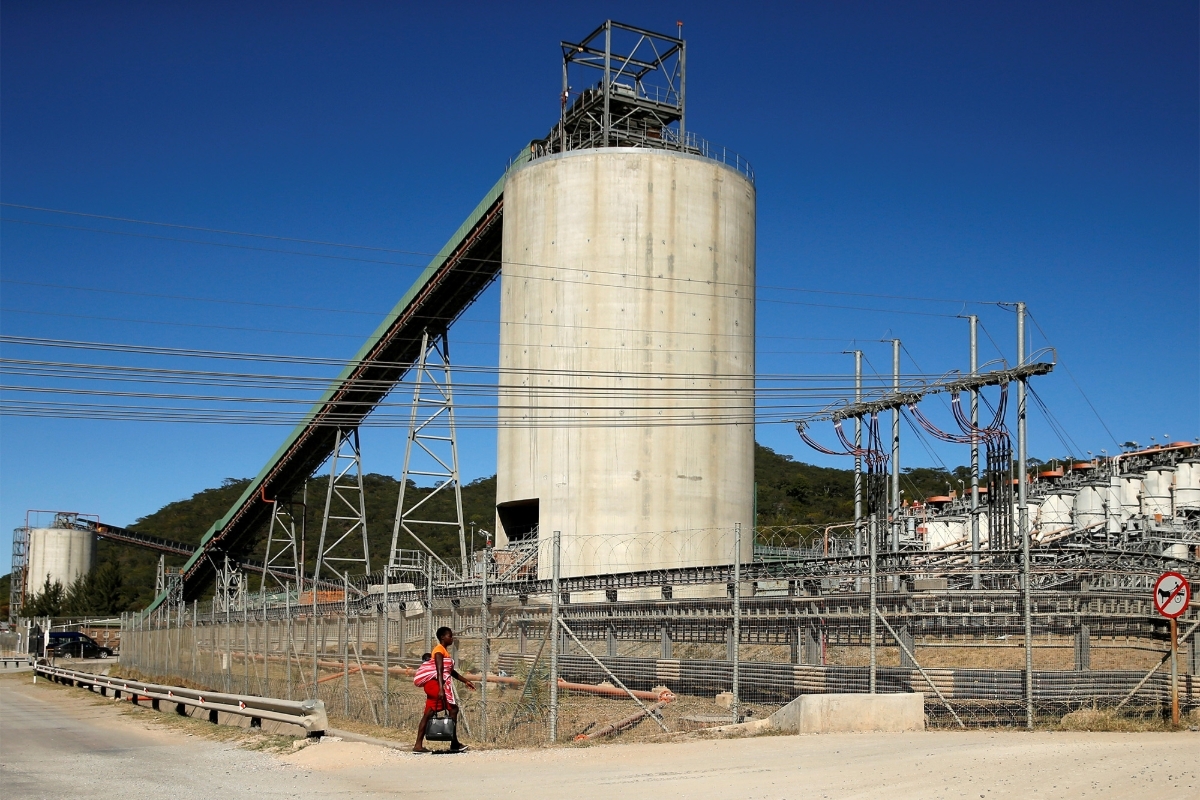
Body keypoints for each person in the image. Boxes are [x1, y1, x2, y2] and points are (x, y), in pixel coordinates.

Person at [413, 627, 475, 753]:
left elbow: (450, 671)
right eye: (449, 636)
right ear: (442, 637)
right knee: (451, 709)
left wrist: (465, 681)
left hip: (436, 684)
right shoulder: (439, 651)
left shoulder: (444, 651)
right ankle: (454, 743)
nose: (451, 638)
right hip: (435, 684)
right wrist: (441, 688)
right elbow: (439, 670)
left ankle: (419, 745)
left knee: (431, 713)